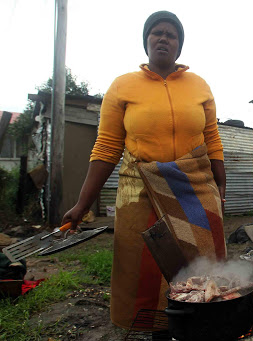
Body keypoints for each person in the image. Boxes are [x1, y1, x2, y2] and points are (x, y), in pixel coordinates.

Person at [61, 11, 226, 329]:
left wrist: (221, 185)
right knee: (144, 265)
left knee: (204, 262)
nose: (164, 38)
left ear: (179, 45)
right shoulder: (123, 87)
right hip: (140, 188)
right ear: (146, 41)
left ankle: (200, 323)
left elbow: (213, 140)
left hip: (195, 186)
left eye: (171, 34)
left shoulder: (199, 86)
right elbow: (107, 148)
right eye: (156, 32)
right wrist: (82, 204)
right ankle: (154, 328)